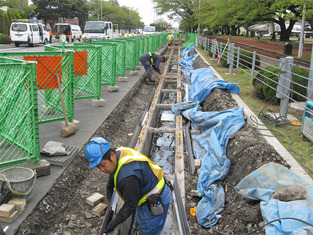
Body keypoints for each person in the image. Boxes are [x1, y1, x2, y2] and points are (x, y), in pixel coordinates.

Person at [85, 137, 172, 234]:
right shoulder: (120, 152)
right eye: (98, 167)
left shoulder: (127, 178)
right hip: (155, 189)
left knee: (149, 230)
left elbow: (131, 204)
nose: (101, 170)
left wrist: (114, 222)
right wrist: (109, 190)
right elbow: (113, 175)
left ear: (112, 155)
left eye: (103, 165)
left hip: (154, 203)